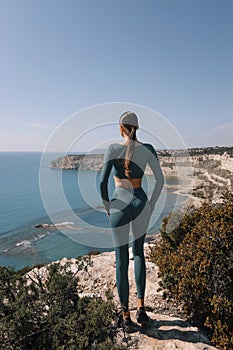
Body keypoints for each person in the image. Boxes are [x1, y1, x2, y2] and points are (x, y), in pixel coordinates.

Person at [100, 111, 164, 332]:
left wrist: (108, 206)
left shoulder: (112, 149)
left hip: (119, 205)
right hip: (141, 204)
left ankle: (126, 316)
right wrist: (152, 204)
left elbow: (101, 182)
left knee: (121, 261)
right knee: (138, 253)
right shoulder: (148, 150)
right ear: (137, 129)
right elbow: (160, 180)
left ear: (121, 128)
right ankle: (141, 308)